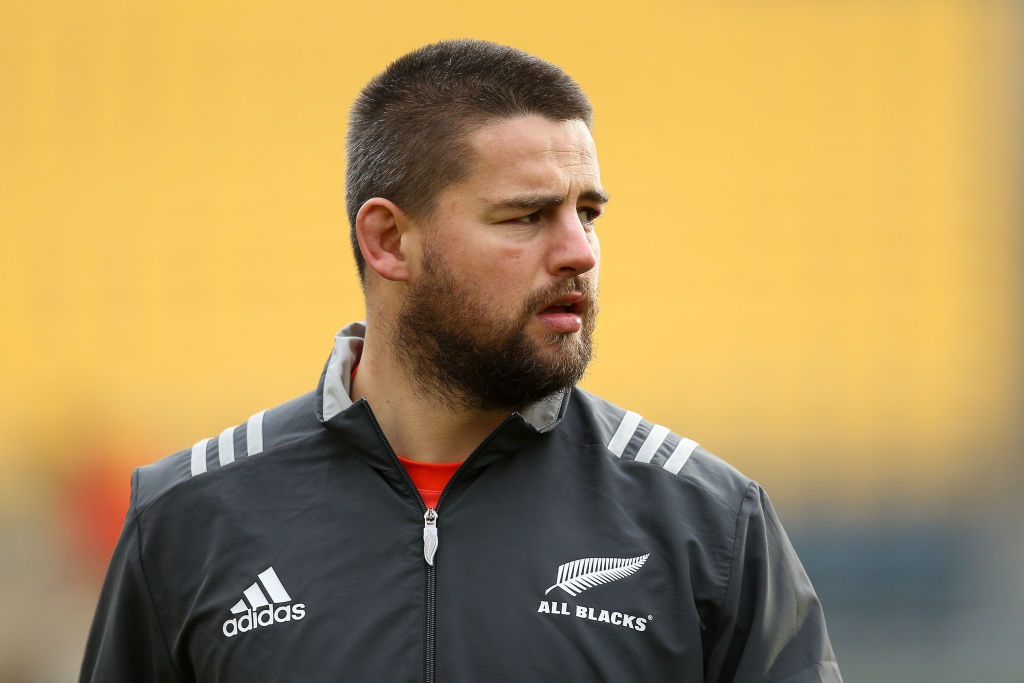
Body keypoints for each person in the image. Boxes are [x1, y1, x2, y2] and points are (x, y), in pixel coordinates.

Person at [81, 39, 842, 682]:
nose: (579, 251)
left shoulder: (705, 523)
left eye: (589, 213)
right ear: (388, 241)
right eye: (528, 215)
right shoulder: (191, 517)